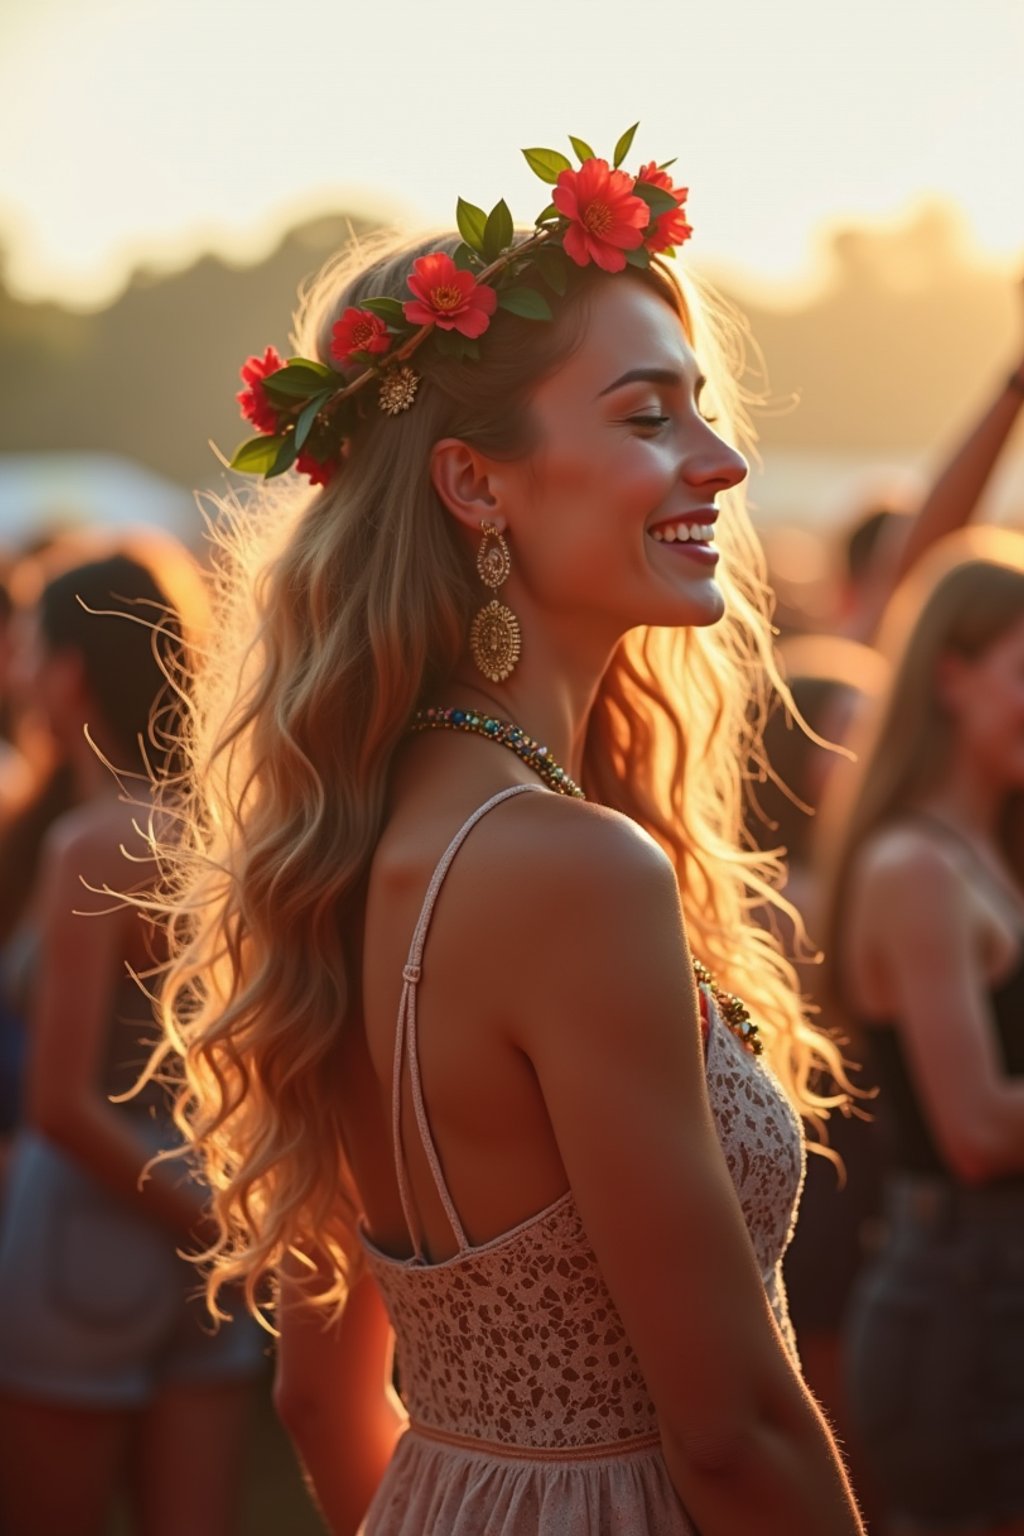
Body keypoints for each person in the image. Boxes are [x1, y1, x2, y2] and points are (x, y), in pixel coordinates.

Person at [147, 133, 866, 1534]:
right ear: (477, 484)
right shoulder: (572, 870)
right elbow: (727, 1433)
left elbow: (318, 1398)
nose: (721, 460)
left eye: (700, 408)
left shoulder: (342, 842)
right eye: (650, 414)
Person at [0, 549, 265, 1536]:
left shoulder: (92, 842)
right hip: (206, 1216)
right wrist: (230, 1226)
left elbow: (60, 1105)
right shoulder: (221, 830)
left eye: (26, 644)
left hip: (83, 1232)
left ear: (66, 670)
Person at [822, 527, 1024, 1533]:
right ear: (950, 675)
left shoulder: (991, 845)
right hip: (963, 1302)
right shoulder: (915, 867)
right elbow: (977, 1131)